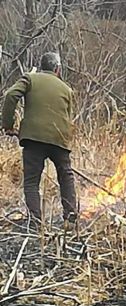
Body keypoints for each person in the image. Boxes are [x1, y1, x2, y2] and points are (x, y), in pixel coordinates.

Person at [1, 52, 78, 226]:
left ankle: (36, 222)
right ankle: (71, 216)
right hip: (59, 138)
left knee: (31, 181)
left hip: (33, 138)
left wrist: (8, 125)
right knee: (66, 175)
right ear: (58, 69)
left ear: (42, 66)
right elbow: (68, 117)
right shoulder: (67, 89)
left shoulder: (30, 78)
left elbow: (10, 95)